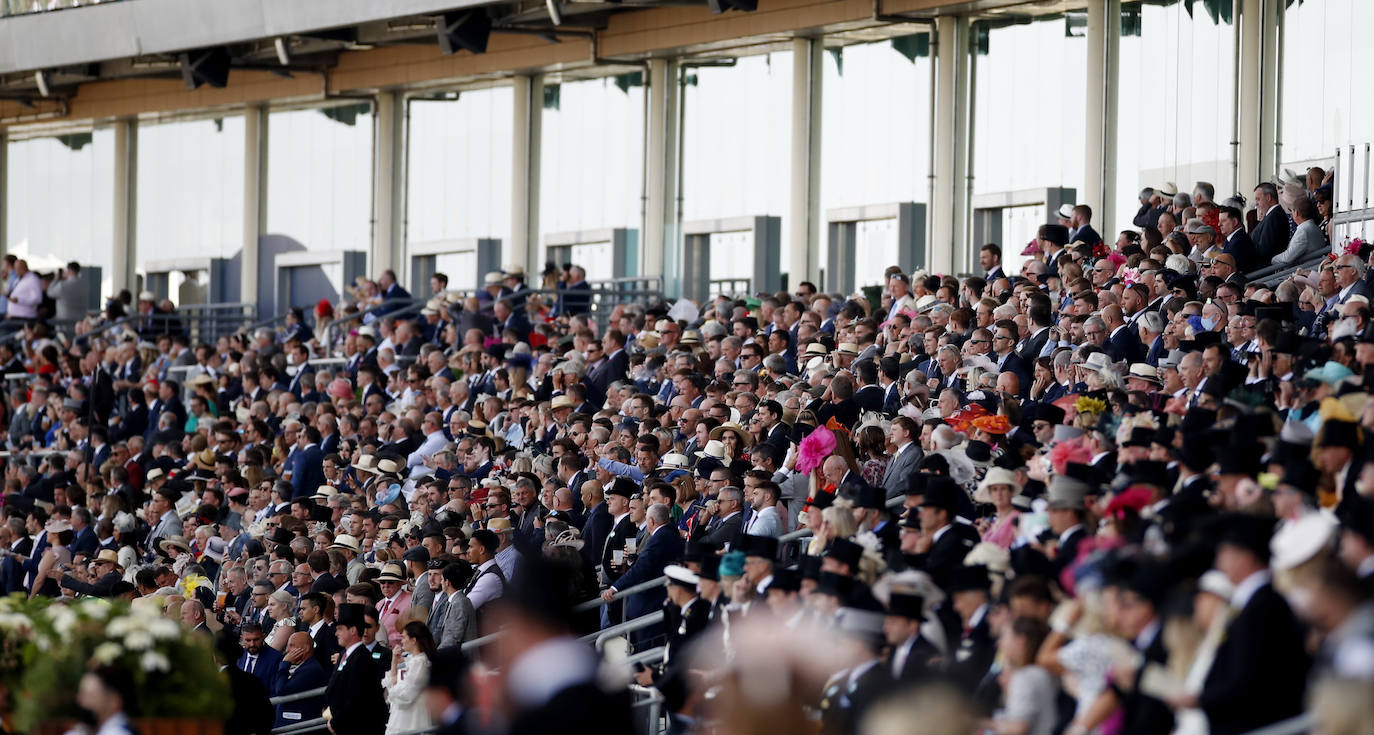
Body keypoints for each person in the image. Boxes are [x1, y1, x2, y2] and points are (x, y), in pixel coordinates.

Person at [324, 603, 388, 735]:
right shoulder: (346, 654)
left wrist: (337, 722)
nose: (336, 633)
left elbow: (356, 699)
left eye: (340, 629)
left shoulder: (361, 659)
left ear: (353, 630)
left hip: (360, 728)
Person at [384, 621, 438, 734]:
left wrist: (394, 681)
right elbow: (394, 687)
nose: (402, 641)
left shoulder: (421, 663)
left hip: (412, 717)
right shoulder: (411, 661)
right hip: (401, 716)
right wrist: (394, 663)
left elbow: (406, 694)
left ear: (413, 640)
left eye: (404, 637)